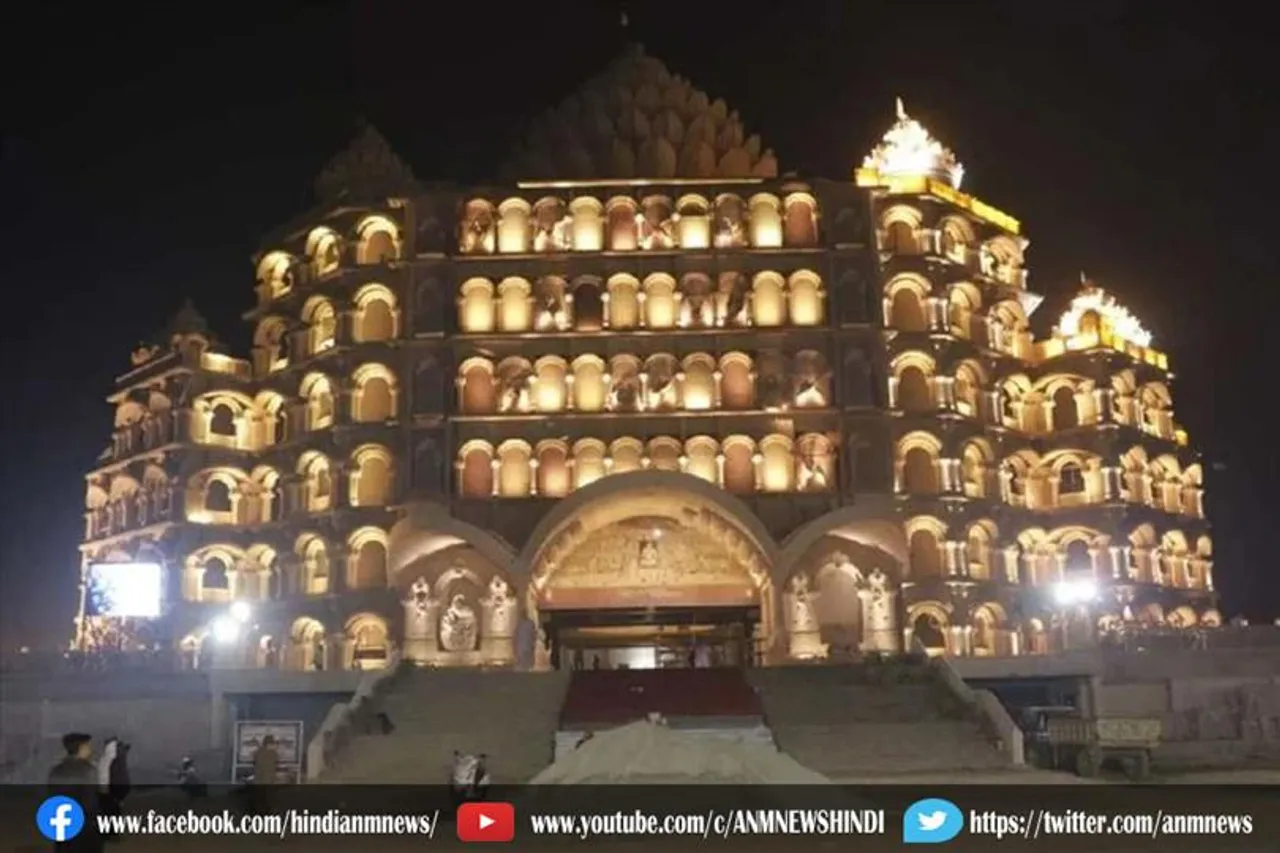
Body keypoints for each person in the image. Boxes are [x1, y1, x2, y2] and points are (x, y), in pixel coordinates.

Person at [48, 732, 103, 853]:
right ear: (81, 748)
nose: (90, 749)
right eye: (88, 746)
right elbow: (91, 802)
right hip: (85, 827)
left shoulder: (56, 770)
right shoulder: (88, 770)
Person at [248, 735, 279, 815]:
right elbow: (276, 765)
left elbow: (254, 763)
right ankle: (266, 815)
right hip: (268, 780)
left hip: (258, 780)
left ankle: (255, 815)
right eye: (272, 743)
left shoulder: (257, 752)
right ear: (269, 744)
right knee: (267, 800)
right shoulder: (274, 754)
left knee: (258, 799)